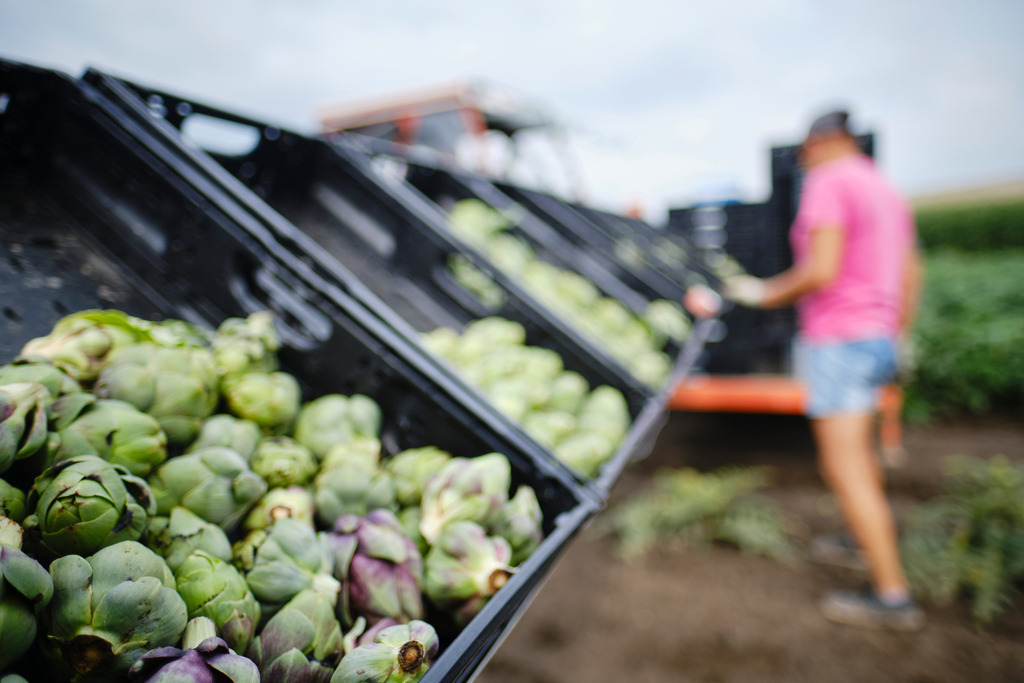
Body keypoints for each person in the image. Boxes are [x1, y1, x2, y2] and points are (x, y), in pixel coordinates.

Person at [685, 109, 925, 631]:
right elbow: (912, 269)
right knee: (862, 455)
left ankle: (891, 595)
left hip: (840, 339)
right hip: (879, 336)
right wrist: (899, 332)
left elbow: (821, 269)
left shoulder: (828, 182)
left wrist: (758, 292)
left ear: (818, 142)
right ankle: (860, 539)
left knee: (844, 466)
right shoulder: (883, 188)